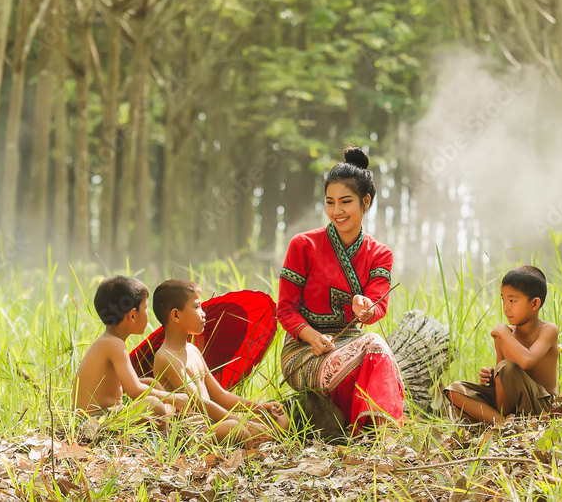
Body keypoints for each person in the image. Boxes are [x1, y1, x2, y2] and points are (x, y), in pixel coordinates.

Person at [277, 146, 404, 433]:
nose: (337, 211)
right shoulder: (303, 245)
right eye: (330, 202)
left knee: (372, 350)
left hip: (352, 347)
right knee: (375, 346)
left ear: (366, 202)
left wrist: (368, 308)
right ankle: (382, 434)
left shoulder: (379, 253)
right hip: (304, 352)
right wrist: (311, 336)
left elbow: (378, 305)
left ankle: (364, 431)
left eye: (345, 202)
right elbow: (285, 309)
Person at [151, 279, 289, 447]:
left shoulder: (193, 350)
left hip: (216, 424)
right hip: (195, 433)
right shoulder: (166, 357)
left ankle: (259, 435)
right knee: (237, 429)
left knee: (280, 417)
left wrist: (260, 407)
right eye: (196, 307)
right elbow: (200, 403)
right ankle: (257, 436)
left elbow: (220, 395)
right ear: (176, 315)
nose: (203, 313)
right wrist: (245, 423)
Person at [444, 266, 559, 424]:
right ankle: (502, 423)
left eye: (512, 300)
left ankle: (499, 421)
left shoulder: (548, 330)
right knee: (455, 390)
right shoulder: (505, 334)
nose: (506, 307)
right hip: (506, 407)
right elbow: (501, 374)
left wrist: (505, 334)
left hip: (540, 405)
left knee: (506, 367)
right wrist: (490, 376)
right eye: (503, 299)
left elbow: (527, 360)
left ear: (534, 304)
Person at [73, 275, 189, 419]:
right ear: (133, 315)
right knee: (153, 404)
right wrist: (173, 398)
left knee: (150, 383)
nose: (147, 313)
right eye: (145, 308)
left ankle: (171, 419)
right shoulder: (114, 344)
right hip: (95, 420)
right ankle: (166, 436)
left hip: (103, 415)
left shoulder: (108, 341)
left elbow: (119, 384)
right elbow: (134, 390)